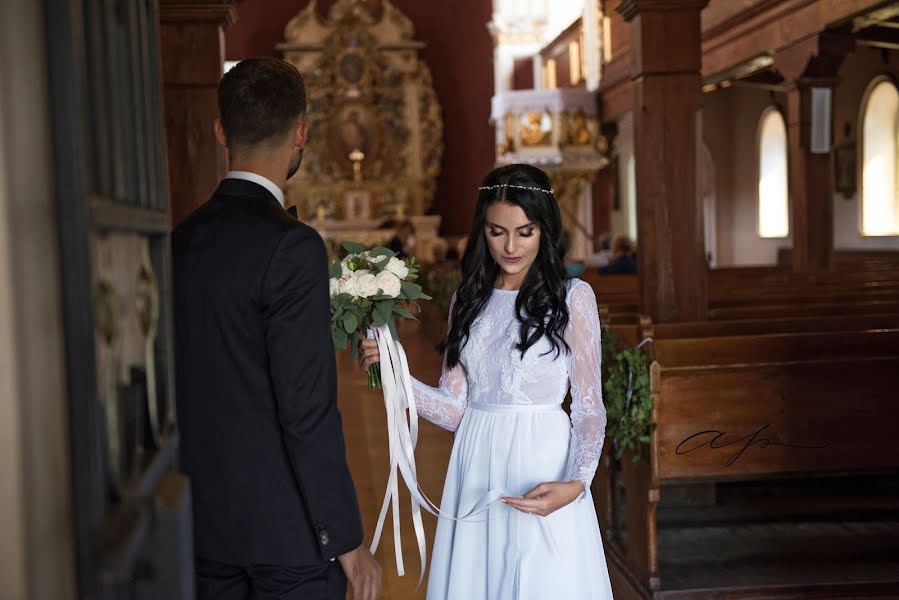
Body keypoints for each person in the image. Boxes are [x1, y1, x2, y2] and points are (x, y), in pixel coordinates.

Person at [172, 58, 381, 600]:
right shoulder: (292, 246)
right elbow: (305, 408)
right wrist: (347, 539)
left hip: (199, 524)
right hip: (286, 534)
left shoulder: (178, 239)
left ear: (222, 131)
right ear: (301, 133)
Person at [360, 164, 613, 599]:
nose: (510, 246)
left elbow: (589, 409)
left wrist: (577, 481)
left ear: (545, 230)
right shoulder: (469, 299)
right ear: (483, 231)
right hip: (475, 465)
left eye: (525, 231)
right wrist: (395, 374)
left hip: (542, 464)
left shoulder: (573, 298)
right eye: (497, 232)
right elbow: (456, 409)